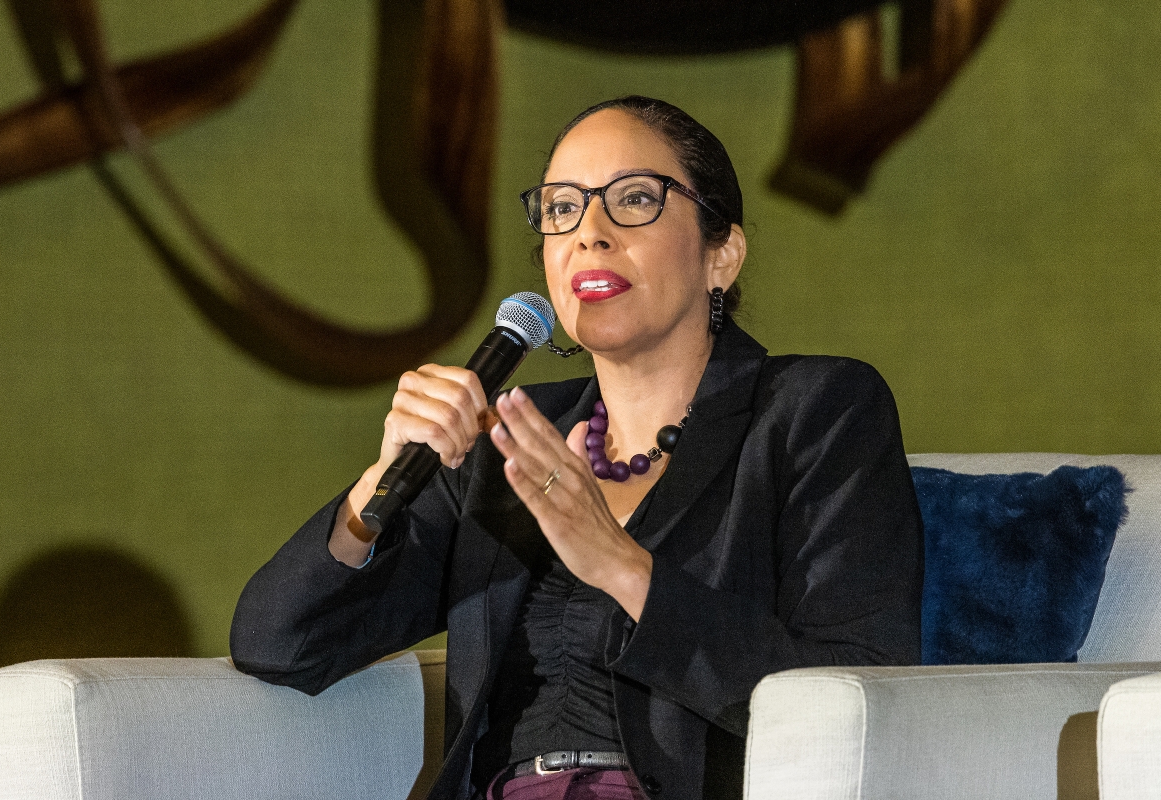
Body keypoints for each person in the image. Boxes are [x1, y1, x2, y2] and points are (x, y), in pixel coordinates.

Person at [230, 96, 923, 800]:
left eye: (633, 200)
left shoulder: (816, 411)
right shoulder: (508, 441)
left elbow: (856, 691)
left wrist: (624, 568)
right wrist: (376, 487)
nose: (589, 233)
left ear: (723, 254)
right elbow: (280, 645)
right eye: (562, 209)